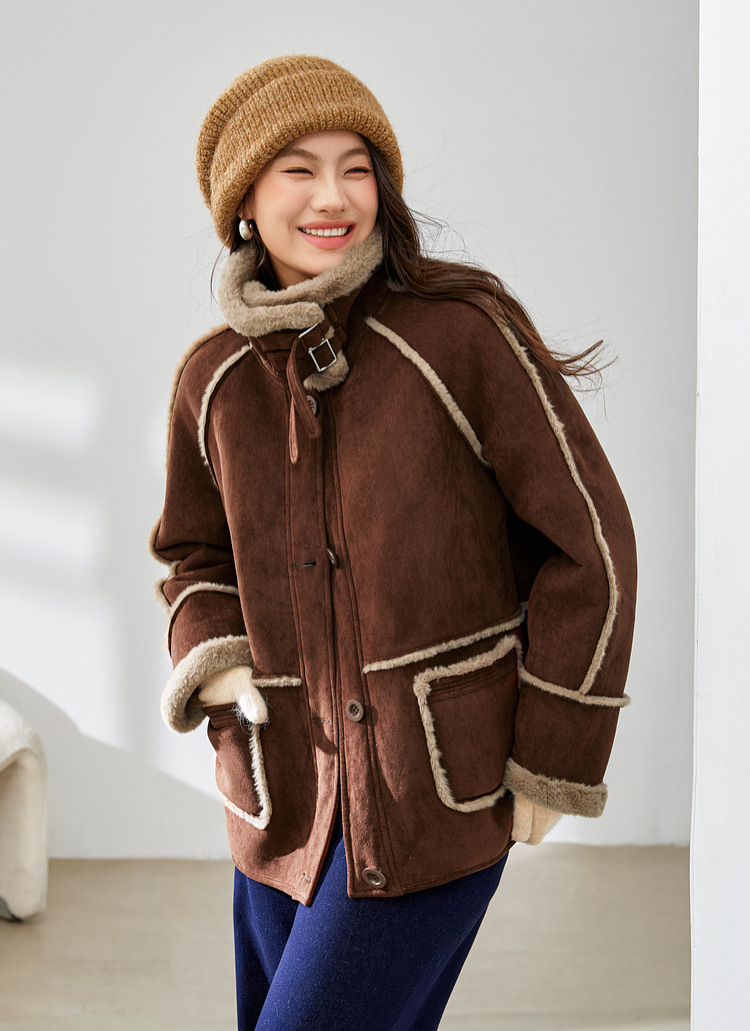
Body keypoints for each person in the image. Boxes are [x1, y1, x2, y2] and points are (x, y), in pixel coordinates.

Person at [149, 54, 637, 1031]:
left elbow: (591, 546)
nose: (333, 196)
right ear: (243, 199)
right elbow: (192, 556)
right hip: (279, 801)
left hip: (434, 799)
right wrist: (217, 663)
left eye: (357, 167)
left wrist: (557, 751)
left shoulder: (460, 334)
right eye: (298, 169)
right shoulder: (213, 377)